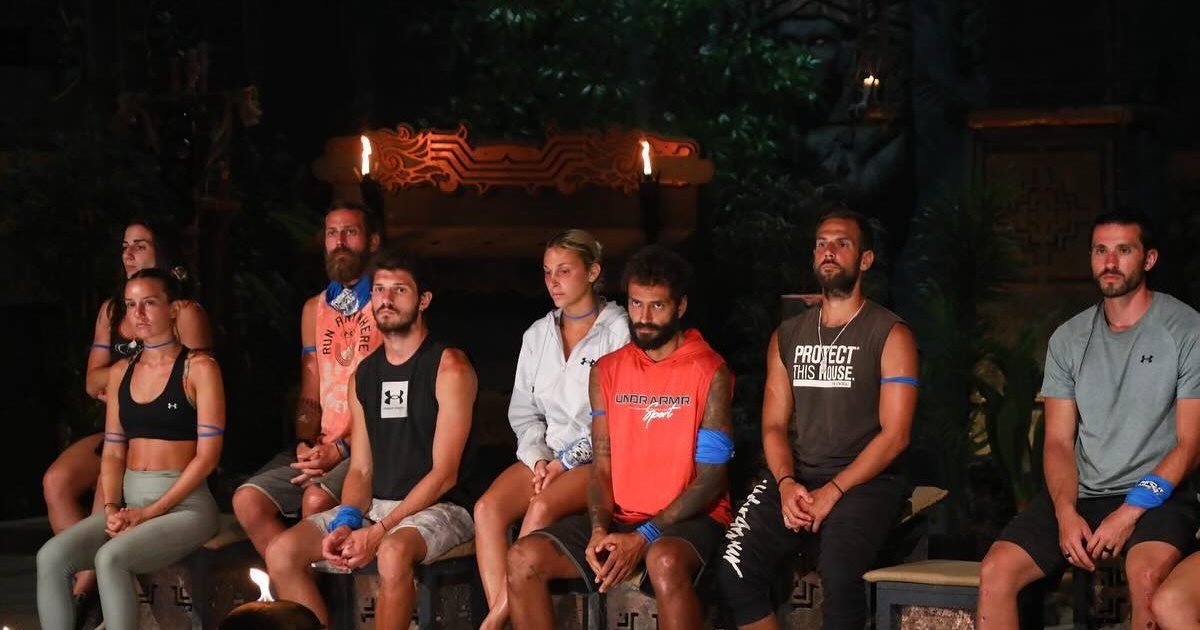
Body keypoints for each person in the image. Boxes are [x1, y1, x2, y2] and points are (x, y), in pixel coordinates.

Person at [977, 209, 1200, 629]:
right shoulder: (1069, 338)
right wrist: (1065, 513)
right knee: (996, 571)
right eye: (1100, 250)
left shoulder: (1187, 330)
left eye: (1123, 250)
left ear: (1149, 259)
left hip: (1159, 495)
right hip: (1084, 493)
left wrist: (1130, 511)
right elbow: (1058, 442)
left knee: (1146, 577)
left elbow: (1190, 445)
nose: (1109, 262)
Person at [507, 245, 734, 630]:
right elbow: (601, 466)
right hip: (622, 516)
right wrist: (599, 528)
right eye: (635, 304)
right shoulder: (607, 370)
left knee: (663, 560)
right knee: (522, 559)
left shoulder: (710, 370)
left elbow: (712, 478)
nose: (644, 318)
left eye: (657, 306)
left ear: (680, 307)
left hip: (688, 519)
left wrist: (645, 535)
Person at [716, 209, 919, 630]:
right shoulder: (788, 336)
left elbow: (896, 436)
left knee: (841, 575)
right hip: (798, 475)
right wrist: (786, 483)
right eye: (821, 243)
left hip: (865, 481)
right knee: (734, 568)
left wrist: (834, 490)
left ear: (865, 259)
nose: (829, 251)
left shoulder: (890, 334)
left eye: (842, 243)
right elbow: (773, 426)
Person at [264, 250, 479, 628]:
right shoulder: (363, 376)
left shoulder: (449, 366)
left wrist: (378, 532)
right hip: (376, 506)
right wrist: (348, 521)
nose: (386, 299)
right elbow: (361, 469)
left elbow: (445, 474)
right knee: (282, 552)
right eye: (379, 289)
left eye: (400, 290)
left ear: (424, 300)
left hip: (441, 507)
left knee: (392, 552)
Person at [37, 268, 224, 630]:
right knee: (51, 557)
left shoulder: (199, 369)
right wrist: (111, 509)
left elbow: (208, 457)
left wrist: (150, 512)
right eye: (130, 305)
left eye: (149, 303)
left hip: (184, 507)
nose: (138, 313)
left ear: (173, 309)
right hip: (131, 504)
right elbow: (112, 452)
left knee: (111, 559)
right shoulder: (122, 371)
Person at [473, 229, 630, 629]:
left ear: (592, 272)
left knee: (541, 505)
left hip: (600, 459)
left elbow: (617, 418)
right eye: (547, 272)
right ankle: (505, 615)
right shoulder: (537, 335)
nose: (553, 281)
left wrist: (564, 462)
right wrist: (540, 458)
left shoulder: (618, 330)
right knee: (487, 509)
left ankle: (492, 623)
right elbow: (523, 413)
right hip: (548, 456)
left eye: (564, 270)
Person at [233, 200, 383, 557]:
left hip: (370, 444)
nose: (339, 242)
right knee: (247, 500)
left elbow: (389, 392)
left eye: (350, 232)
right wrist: (304, 441)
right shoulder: (314, 308)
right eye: (332, 233)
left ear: (373, 241)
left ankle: (320, 585)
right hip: (324, 443)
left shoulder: (384, 301)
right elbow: (312, 383)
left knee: (314, 500)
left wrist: (342, 449)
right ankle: (296, 589)